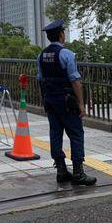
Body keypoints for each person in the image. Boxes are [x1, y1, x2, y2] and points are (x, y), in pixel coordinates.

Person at [37, 19, 96, 186]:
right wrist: (81, 103)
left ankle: (61, 171)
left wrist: (45, 100)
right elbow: (75, 81)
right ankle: (78, 173)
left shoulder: (41, 56)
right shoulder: (67, 54)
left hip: (50, 101)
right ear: (62, 35)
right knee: (76, 134)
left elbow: (40, 80)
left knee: (55, 134)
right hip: (67, 102)